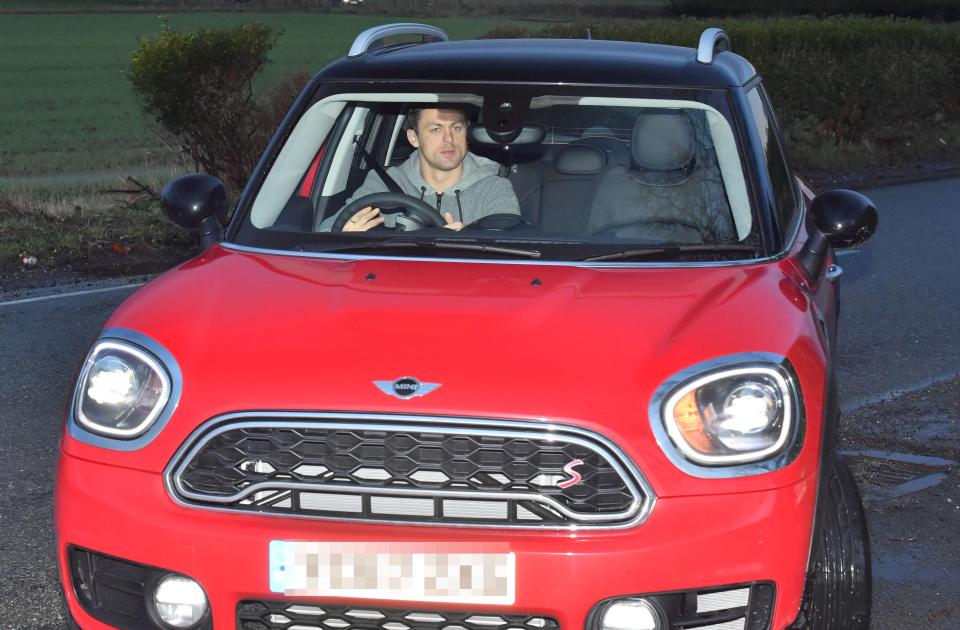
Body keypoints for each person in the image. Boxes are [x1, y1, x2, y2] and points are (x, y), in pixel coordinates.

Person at [322, 107, 520, 231]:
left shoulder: (494, 186)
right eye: (436, 129)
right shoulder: (384, 183)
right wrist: (343, 234)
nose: (449, 139)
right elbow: (325, 230)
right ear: (413, 138)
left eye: (456, 128)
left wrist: (470, 240)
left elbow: (513, 250)